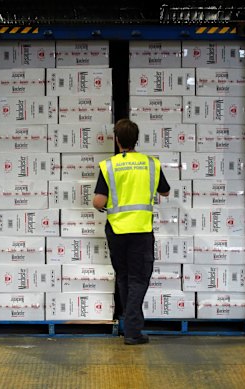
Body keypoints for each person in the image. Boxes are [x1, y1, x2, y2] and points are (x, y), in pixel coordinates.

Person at [93, 118, 170, 345]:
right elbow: (165, 192)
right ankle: (133, 331)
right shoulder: (151, 164)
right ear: (137, 140)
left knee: (125, 277)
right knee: (139, 279)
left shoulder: (109, 165)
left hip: (116, 230)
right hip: (141, 230)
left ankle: (132, 328)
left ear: (117, 140)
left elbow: (98, 201)